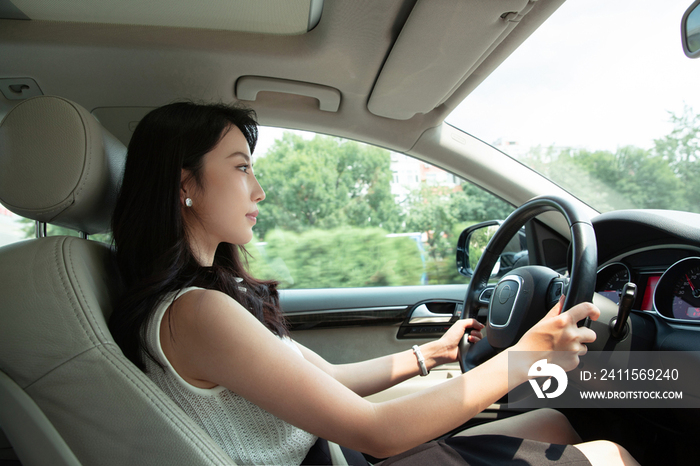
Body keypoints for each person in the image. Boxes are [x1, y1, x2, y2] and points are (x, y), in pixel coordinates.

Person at [108, 102, 639, 466]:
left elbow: (331, 380)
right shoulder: (196, 312)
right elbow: (374, 431)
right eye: (241, 168)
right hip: (342, 456)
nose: (260, 189)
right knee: (611, 454)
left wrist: (429, 355)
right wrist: (525, 356)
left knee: (550, 420)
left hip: (336, 455)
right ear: (186, 186)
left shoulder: (206, 301)